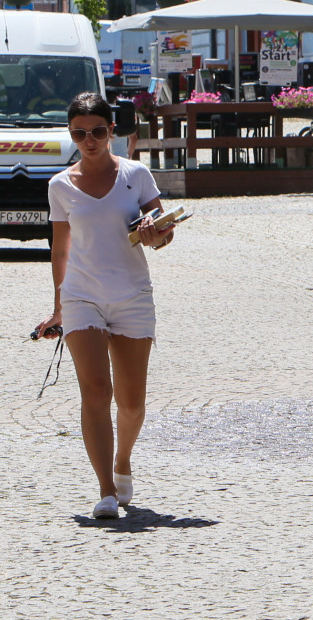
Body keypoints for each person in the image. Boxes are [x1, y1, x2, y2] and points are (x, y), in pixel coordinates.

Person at [33, 91, 176, 520]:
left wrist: (157, 232)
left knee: (131, 403)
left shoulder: (136, 175)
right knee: (97, 391)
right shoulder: (60, 185)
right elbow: (60, 249)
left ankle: (122, 460)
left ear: (112, 131)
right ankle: (105, 490)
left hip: (132, 294)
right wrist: (58, 306)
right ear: (71, 135)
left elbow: (164, 227)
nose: (89, 140)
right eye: (80, 133)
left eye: (98, 131)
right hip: (82, 295)